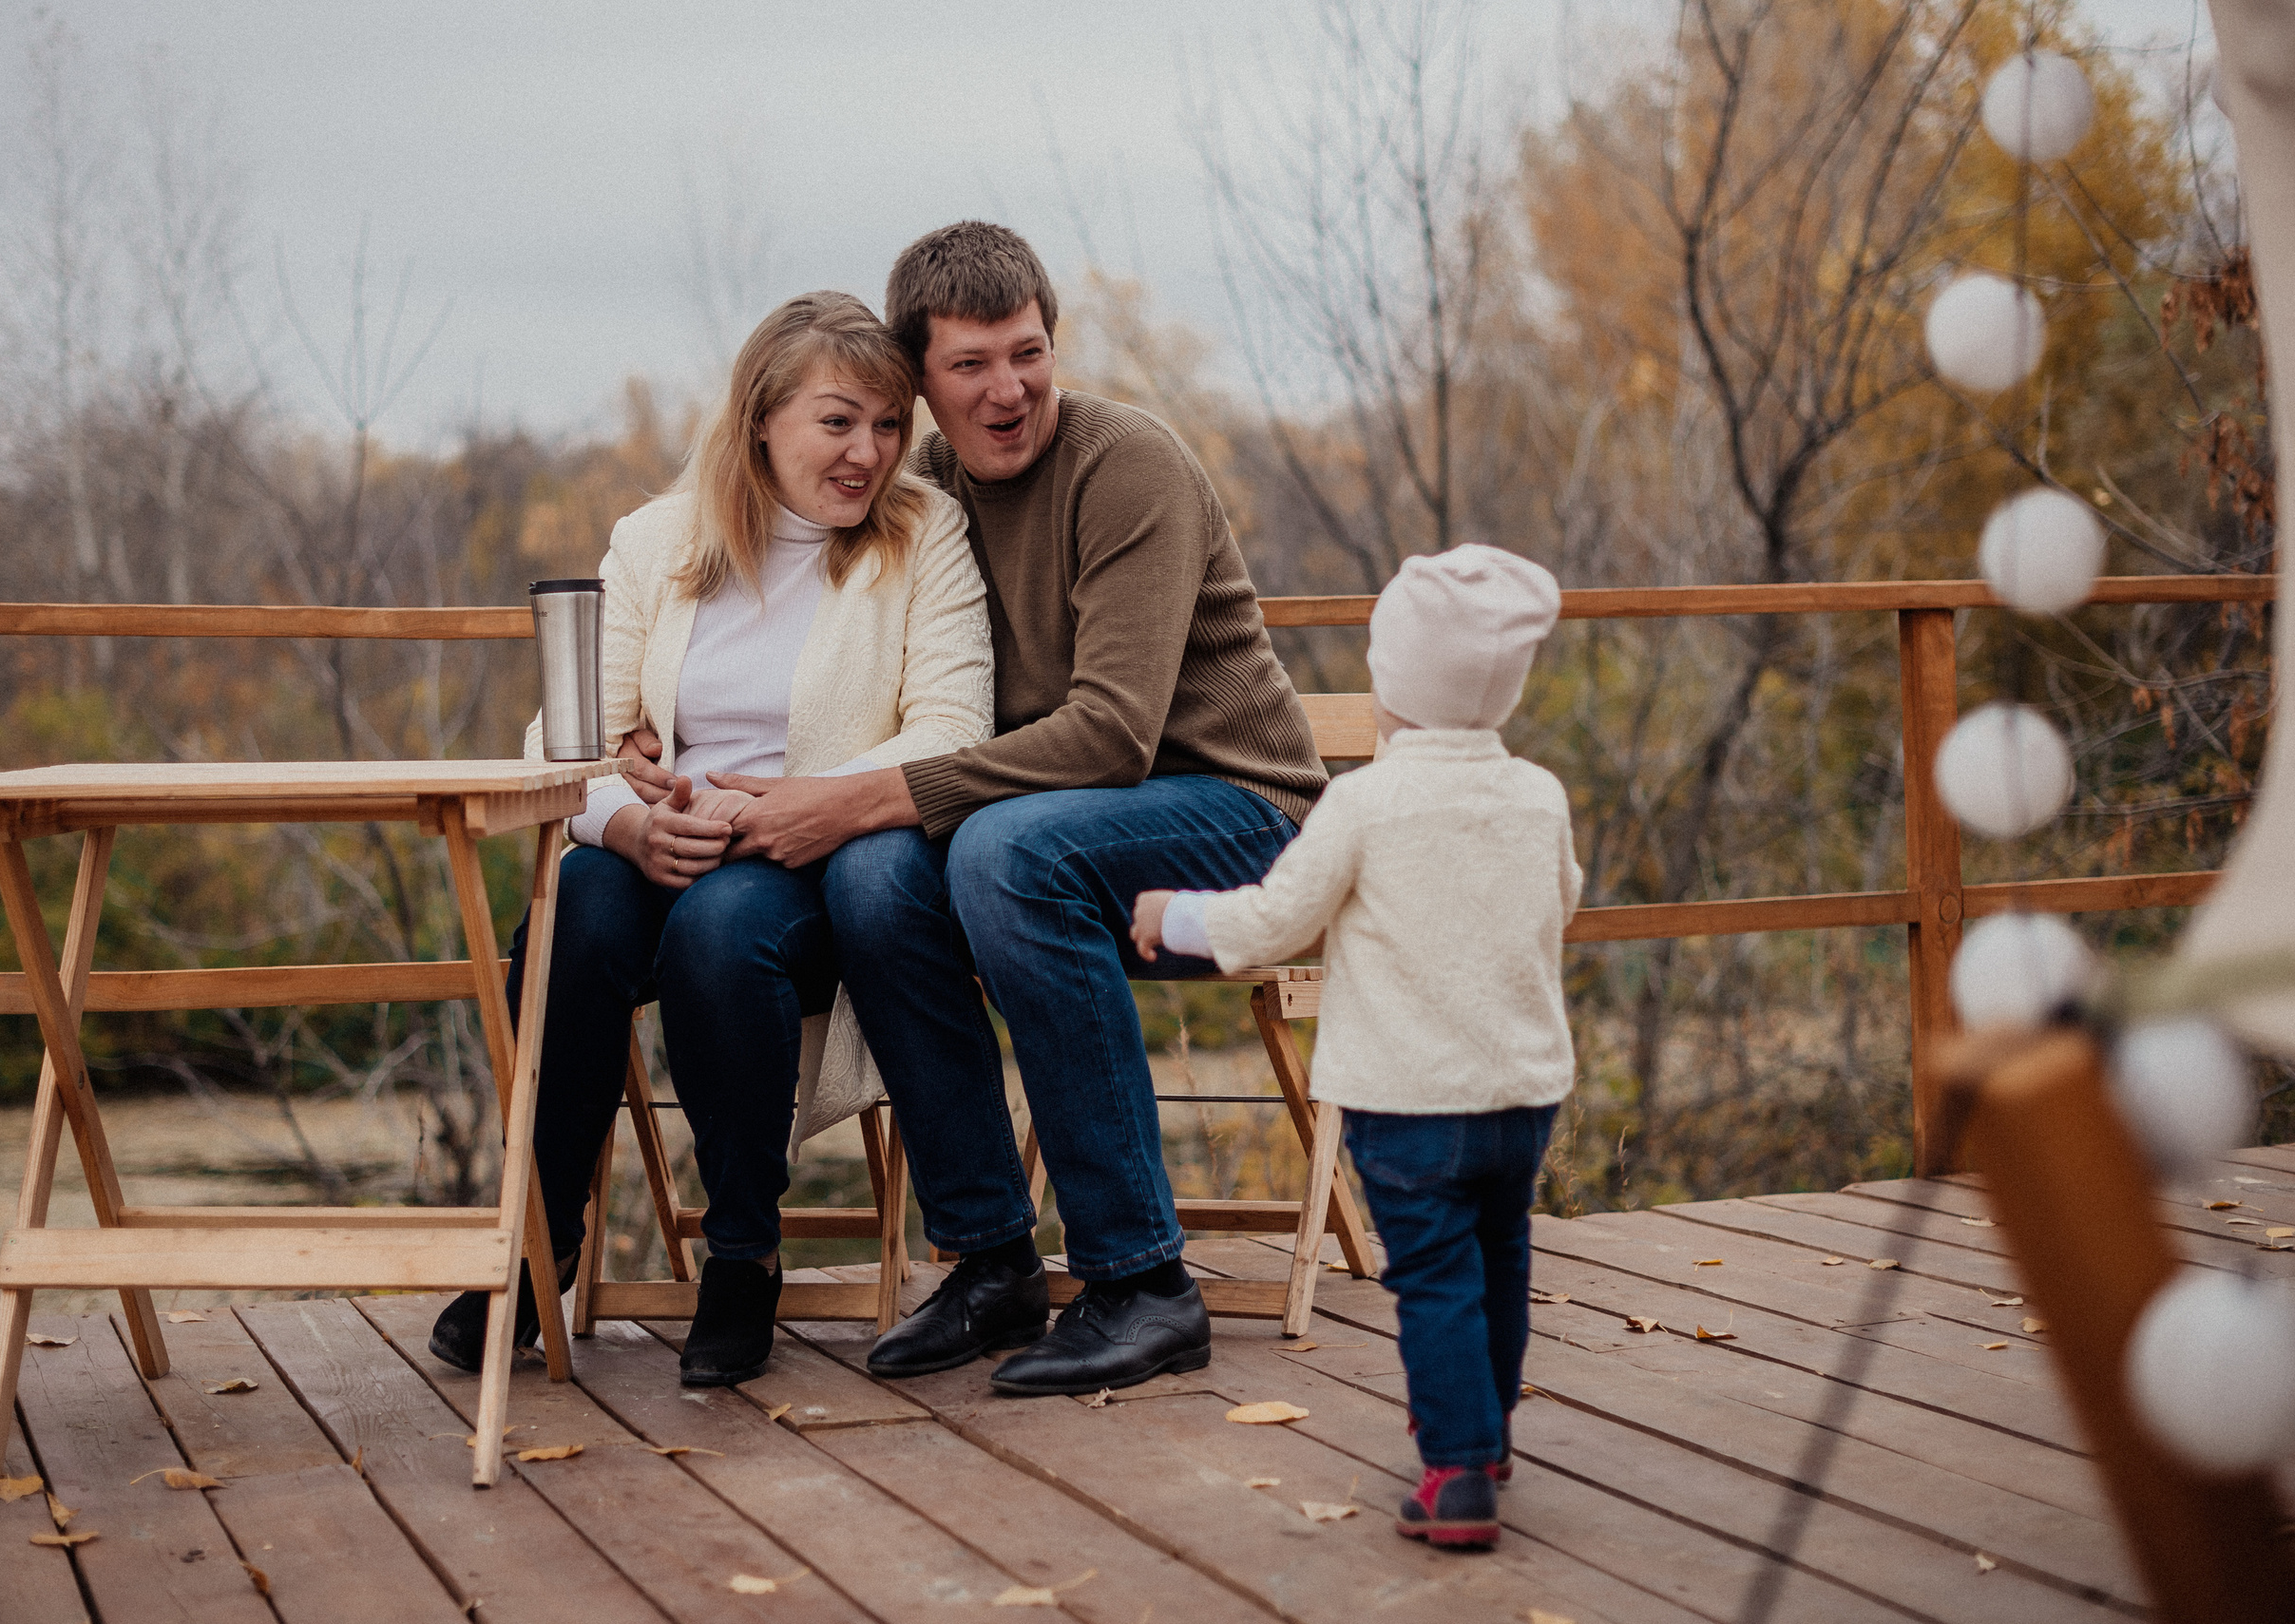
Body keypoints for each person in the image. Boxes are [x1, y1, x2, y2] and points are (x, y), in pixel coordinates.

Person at [704, 221, 1329, 1395]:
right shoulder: (921, 494)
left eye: (1027, 351)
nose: (1008, 389)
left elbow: (1111, 734)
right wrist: (653, 732)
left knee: (992, 850)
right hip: (1055, 827)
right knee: (873, 877)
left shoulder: (1124, 462)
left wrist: (863, 797)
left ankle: (1144, 1281)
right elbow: (786, 622)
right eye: (970, 365)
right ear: (918, 380)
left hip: (1241, 818)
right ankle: (992, 1258)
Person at [425, 291, 993, 1386]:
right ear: (763, 420)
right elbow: (562, 737)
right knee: (580, 900)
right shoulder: (658, 541)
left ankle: (742, 1254)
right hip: (663, 843)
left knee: (719, 931)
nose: (868, 451)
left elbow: (953, 728)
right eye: (838, 421)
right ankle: (537, 1242)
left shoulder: (924, 537)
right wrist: (630, 822)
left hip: (813, 857)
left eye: (887, 425)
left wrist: (785, 804)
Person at [1129, 544, 1579, 1552]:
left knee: (1431, 1276)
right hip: (1520, 1090)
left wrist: (1173, 913)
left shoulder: (1364, 802)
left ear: (1394, 686)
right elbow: (1565, 900)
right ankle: (1489, 1431)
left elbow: (1269, 921)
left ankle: (1458, 1471)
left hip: (1410, 1097)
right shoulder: (1537, 795)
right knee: (1498, 1254)